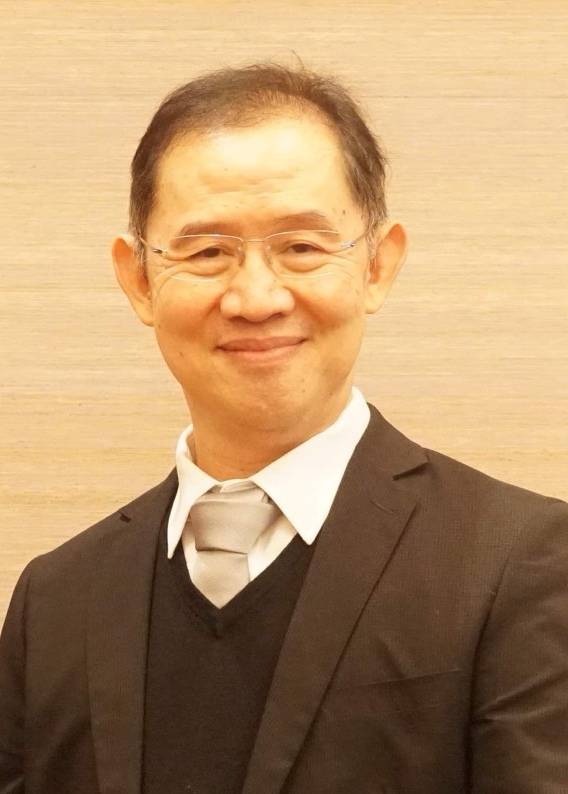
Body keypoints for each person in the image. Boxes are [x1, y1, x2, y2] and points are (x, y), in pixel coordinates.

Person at [1, 62, 567, 794]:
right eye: (207, 252)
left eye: (302, 247)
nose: (256, 297)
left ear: (378, 266)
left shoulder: (521, 563)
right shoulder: (55, 600)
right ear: (138, 279)